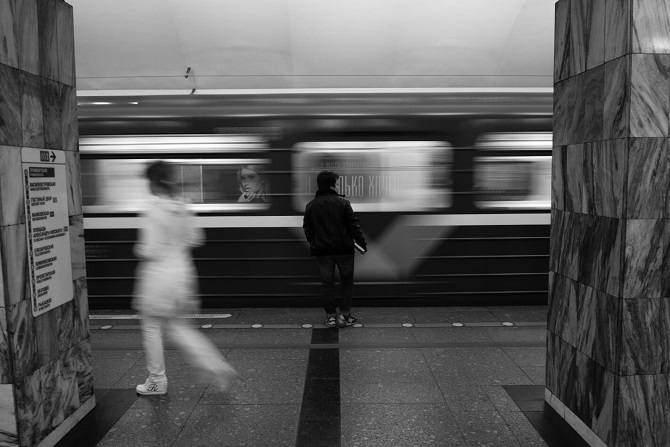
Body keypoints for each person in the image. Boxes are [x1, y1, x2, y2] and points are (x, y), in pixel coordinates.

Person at [133, 161, 237, 396]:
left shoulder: (153, 209)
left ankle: (156, 380)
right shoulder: (181, 205)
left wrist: (138, 249)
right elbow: (196, 238)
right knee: (179, 327)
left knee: (151, 326)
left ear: (151, 182)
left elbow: (149, 249)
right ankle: (215, 364)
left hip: (159, 276)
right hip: (183, 273)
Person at [303, 171, 367, 328]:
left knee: (327, 285)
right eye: (337, 184)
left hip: (323, 252)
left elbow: (308, 230)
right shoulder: (343, 203)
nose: (338, 186)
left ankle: (331, 317)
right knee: (346, 283)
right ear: (332, 185)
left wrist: (316, 242)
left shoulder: (311, 206)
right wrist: (362, 243)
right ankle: (345, 316)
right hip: (344, 250)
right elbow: (354, 227)